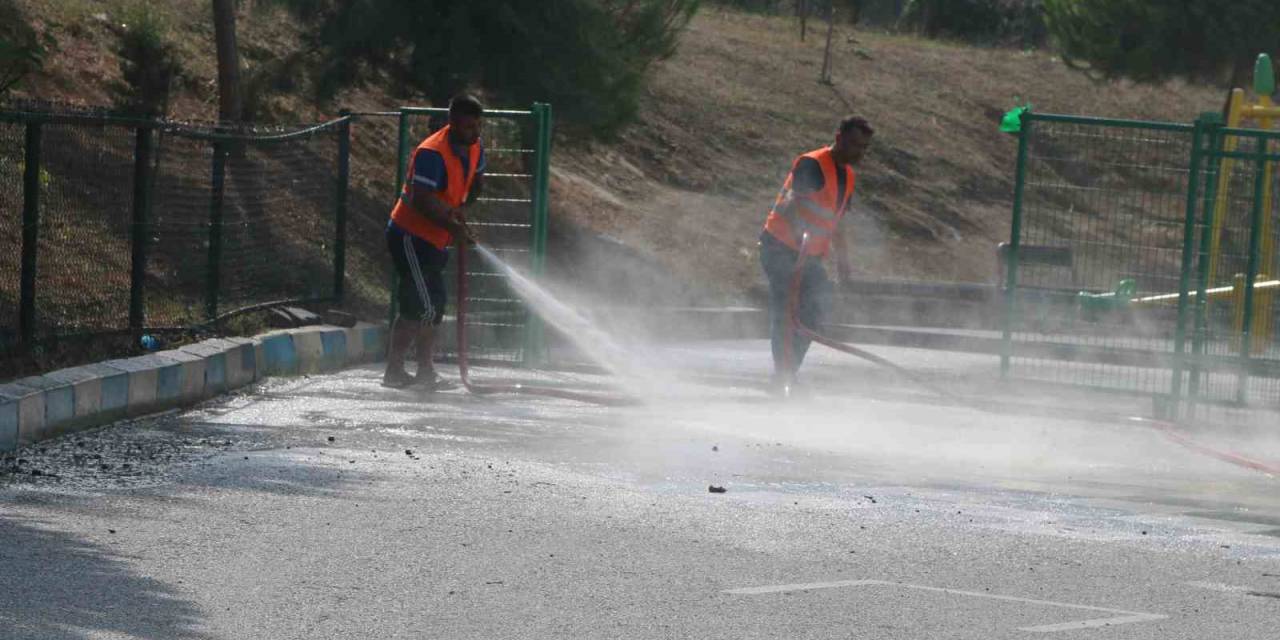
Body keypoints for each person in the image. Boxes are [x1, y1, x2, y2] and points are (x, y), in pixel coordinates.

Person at [759, 116, 873, 394]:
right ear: (838, 138)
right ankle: (783, 377)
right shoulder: (812, 163)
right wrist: (801, 236)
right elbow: (791, 204)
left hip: (809, 256)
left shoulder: (848, 176)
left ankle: (787, 373)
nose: (858, 152)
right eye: (854, 144)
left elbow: (838, 221)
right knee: (787, 312)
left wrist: (843, 261)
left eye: (863, 147)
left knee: (816, 310)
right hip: (781, 248)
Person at [383, 94, 486, 389]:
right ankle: (395, 370)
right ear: (453, 123)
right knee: (424, 306)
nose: (476, 134)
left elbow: (476, 182)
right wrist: (453, 228)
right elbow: (422, 200)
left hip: (435, 238)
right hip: (410, 236)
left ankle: (424, 371)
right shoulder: (432, 152)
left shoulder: (475, 146)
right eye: (469, 128)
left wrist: (460, 211)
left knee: (430, 304)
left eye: (479, 127)